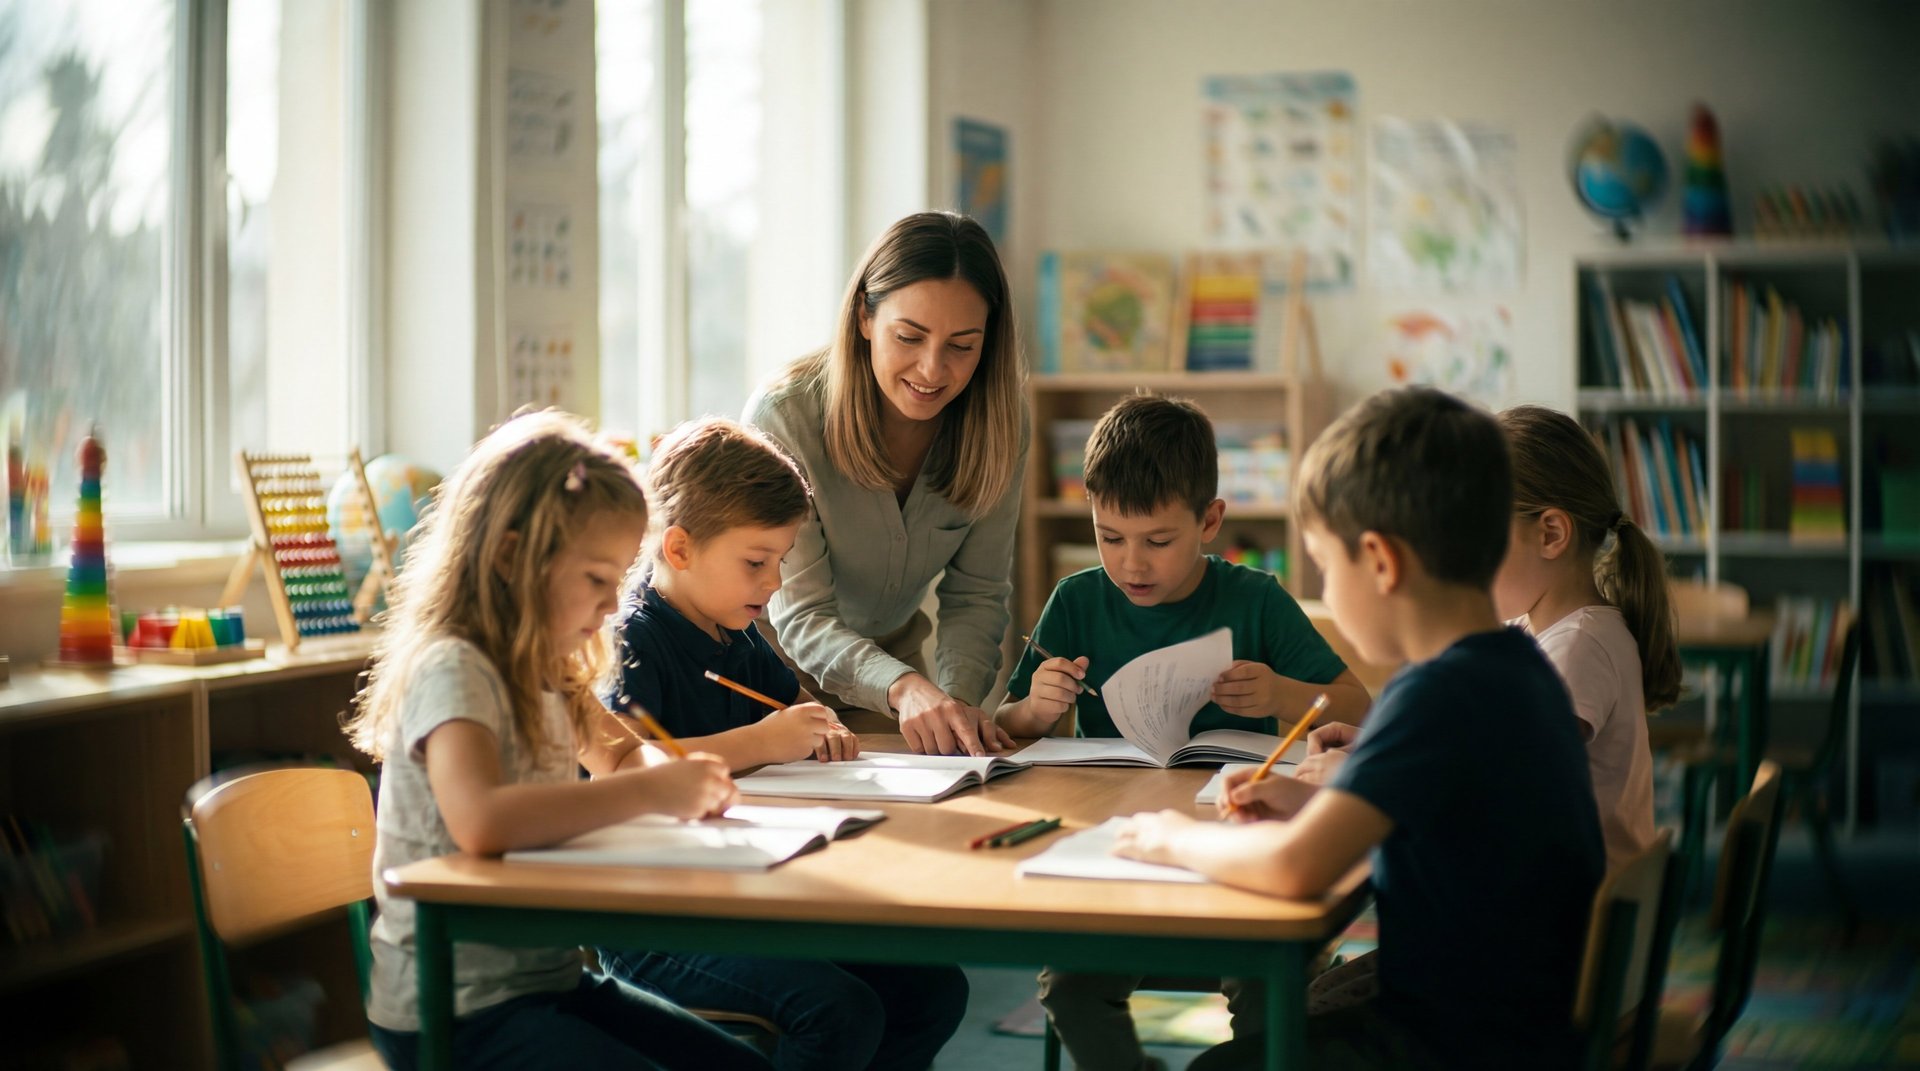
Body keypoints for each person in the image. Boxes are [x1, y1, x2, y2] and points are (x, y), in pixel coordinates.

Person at [1114, 387, 1605, 1069]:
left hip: (1459, 1044)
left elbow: (1293, 866)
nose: (1326, 588)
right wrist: (1318, 802)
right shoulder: (1515, 666)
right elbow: (1450, 811)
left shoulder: (1436, 692)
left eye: (1323, 563)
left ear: (1378, 560)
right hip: (1525, 1025)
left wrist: (1171, 837)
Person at [346, 410, 769, 1071]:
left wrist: (668, 777)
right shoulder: (456, 665)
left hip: (547, 980)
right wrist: (651, 789)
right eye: (597, 580)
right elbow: (482, 821)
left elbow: (622, 752)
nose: (611, 606)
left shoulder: (548, 666)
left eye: (620, 580)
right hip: (457, 1009)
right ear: (513, 555)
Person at [996, 392, 1369, 1071]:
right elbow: (1005, 730)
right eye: (1110, 537)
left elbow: (1356, 706)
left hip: (1237, 843)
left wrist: (1283, 693)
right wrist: (1031, 711)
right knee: (1072, 984)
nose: (1131, 564)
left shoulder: (1254, 597)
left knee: (1266, 982)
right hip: (1116, 847)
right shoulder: (1077, 599)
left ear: (1210, 520)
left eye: (1157, 541)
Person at [597, 417, 969, 1071]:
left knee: (933, 989)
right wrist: (762, 738)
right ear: (679, 548)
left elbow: (793, 705)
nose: (773, 584)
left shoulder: (733, 631)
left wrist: (814, 722)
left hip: (747, 888)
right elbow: (626, 773)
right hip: (652, 920)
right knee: (838, 1013)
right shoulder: (630, 641)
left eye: (780, 560)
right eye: (755, 561)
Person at [746, 211, 1026, 757]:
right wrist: (905, 688)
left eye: (962, 346)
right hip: (773, 688)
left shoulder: (1001, 424)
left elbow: (977, 594)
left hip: (901, 693)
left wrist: (957, 702)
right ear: (863, 318)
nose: (932, 370)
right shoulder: (785, 417)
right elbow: (801, 613)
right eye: (909, 337)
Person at [1493, 404, 1679, 869]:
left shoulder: (1579, 647)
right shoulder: (1533, 631)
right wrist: (1373, 748)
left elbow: (1506, 784)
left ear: (1551, 533)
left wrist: (1372, 778)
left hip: (1582, 923)